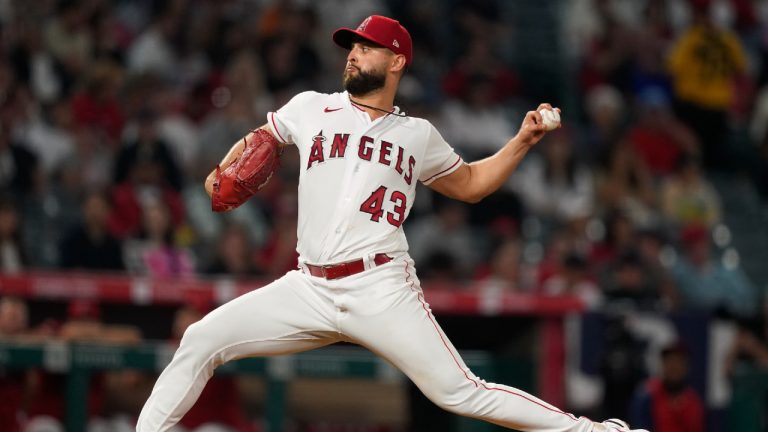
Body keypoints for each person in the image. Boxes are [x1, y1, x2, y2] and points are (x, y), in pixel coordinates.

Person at [137, 15, 646, 432]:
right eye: (351, 46)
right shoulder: (312, 107)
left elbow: (470, 185)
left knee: (460, 393)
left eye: (367, 47)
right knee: (201, 338)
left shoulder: (417, 134)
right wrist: (221, 173)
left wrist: (522, 142)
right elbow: (255, 142)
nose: (354, 54)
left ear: (397, 60)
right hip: (307, 287)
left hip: (380, 285)